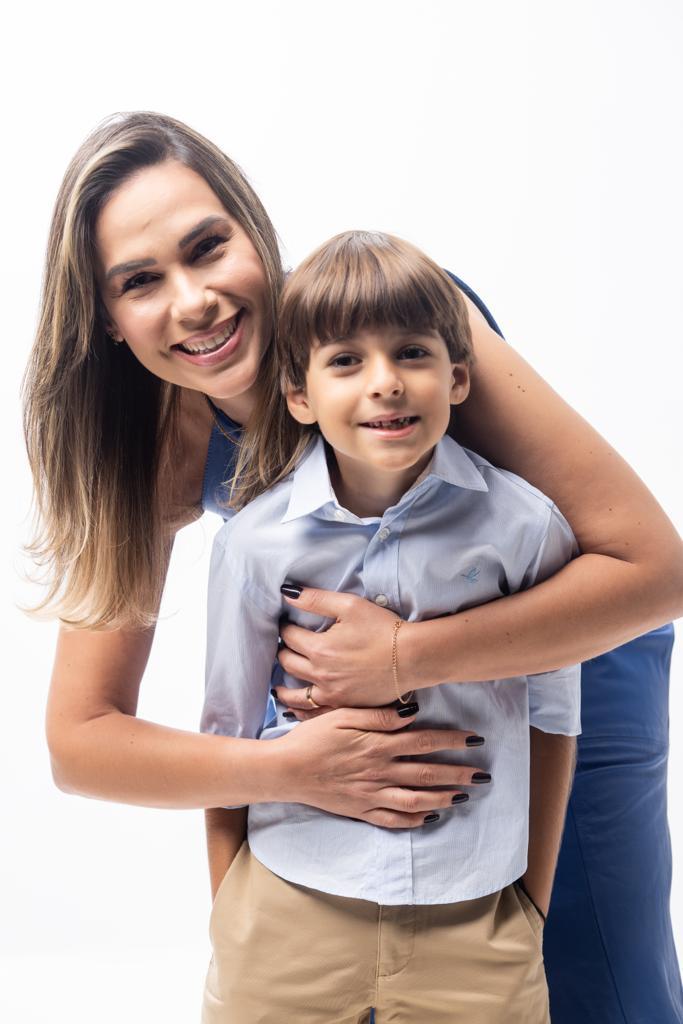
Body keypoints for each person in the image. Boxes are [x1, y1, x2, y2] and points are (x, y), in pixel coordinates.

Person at [22, 112, 683, 1023]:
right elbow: (82, 741)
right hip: (358, 737)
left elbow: (651, 569)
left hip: (562, 662)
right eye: (141, 281)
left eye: (207, 247)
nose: (193, 301)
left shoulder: (393, 330)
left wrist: (408, 657)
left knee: (599, 985)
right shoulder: (148, 451)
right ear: (107, 317)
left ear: (255, 233)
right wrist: (291, 771)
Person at [201, 230, 582, 1022]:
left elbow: (554, 715)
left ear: (458, 376)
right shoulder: (256, 542)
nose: (385, 384)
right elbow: (225, 735)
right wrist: (232, 909)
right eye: (345, 360)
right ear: (298, 395)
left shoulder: (524, 528)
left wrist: (529, 900)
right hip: (291, 902)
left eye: (411, 352)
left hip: (476, 913)